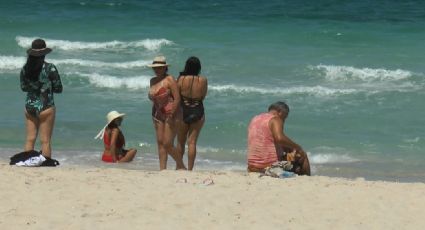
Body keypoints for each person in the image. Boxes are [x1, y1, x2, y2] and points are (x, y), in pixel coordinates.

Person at [20, 38, 63, 158]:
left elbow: (23, 88)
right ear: (44, 53)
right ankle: (46, 164)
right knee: (45, 141)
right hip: (46, 106)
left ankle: (28, 161)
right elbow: (59, 88)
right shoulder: (50, 68)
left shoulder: (25, 68)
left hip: (29, 106)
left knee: (30, 139)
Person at [247, 101, 311, 175]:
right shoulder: (275, 119)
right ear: (280, 112)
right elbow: (279, 138)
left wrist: (288, 148)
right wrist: (298, 147)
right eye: (285, 117)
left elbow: (267, 140)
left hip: (252, 167)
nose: (284, 120)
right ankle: (308, 178)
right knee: (302, 154)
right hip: (269, 166)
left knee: (289, 151)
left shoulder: (255, 119)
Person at [148, 56, 186, 170]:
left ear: (165, 68)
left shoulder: (170, 79)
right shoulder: (152, 80)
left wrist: (171, 114)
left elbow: (177, 99)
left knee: (167, 143)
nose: (157, 70)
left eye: (159, 68)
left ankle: (181, 165)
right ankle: (162, 169)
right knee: (160, 142)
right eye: (155, 68)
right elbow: (154, 99)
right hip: (157, 114)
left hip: (172, 114)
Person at [176, 56, 208, 170]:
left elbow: (177, 97)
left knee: (180, 141)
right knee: (192, 142)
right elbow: (203, 96)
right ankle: (190, 169)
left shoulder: (181, 79)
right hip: (198, 110)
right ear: (199, 67)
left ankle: (179, 167)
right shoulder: (203, 80)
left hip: (183, 111)